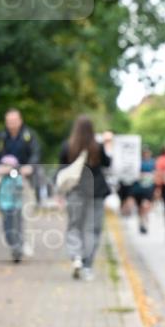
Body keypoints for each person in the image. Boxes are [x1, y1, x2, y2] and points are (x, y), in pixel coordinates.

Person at [59, 117, 113, 281]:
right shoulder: (97, 147)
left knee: (74, 226)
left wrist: (60, 193)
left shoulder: (67, 147)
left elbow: (61, 169)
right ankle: (87, 264)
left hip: (75, 191)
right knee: (92, 229)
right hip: (96, 192)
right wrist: (108, 145)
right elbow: (108, 163)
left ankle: (76, 256)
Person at [0, 108, 40, 262]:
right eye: (9, 121)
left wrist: (30, 167)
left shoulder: (28, 136)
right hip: (5, 180)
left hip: (23, 180)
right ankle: (14, 243)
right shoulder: (1, 137)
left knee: (19, 213)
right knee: (6, 214)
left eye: (14, 121)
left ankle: (18, 247)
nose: (11, 124)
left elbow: (35, 153)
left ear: (20, 120)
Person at [133, 146, 156, 235]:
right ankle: (141, 220)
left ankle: (145, 221)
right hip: (139, 187)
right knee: (140, 207)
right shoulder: (138, 162)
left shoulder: (153, 162)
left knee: (146, 205)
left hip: (149, 187)